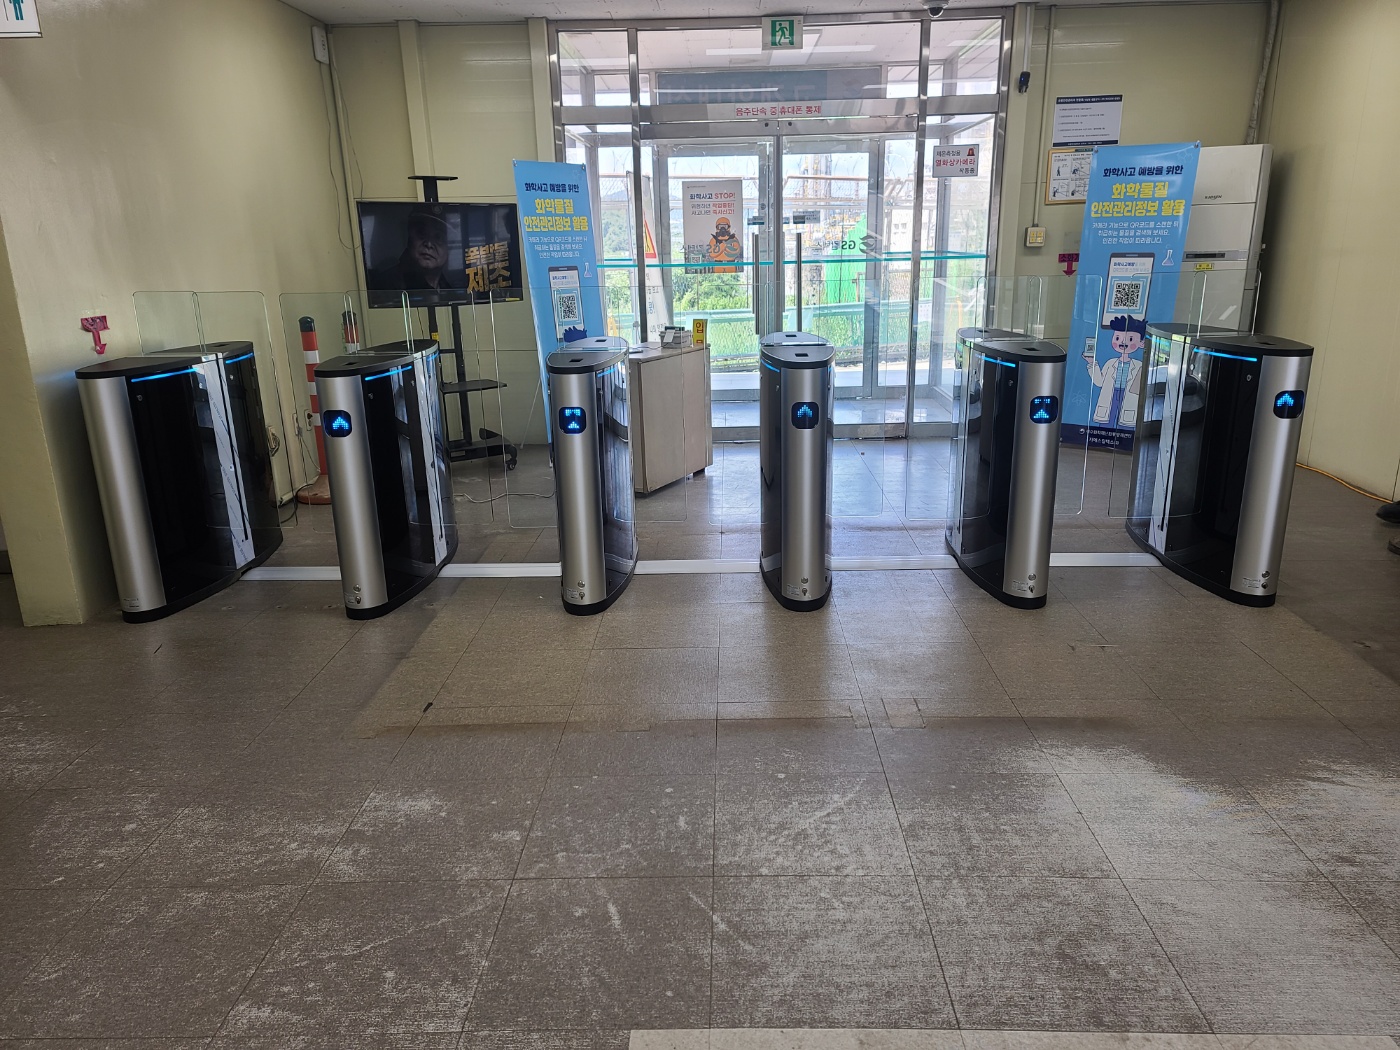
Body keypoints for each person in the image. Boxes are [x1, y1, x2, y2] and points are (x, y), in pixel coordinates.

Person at [371, 205, 460, 293]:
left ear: (450, 247)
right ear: (408, 236)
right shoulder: (385, 285)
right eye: (422, 232)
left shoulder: (451, 289)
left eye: (438, 237)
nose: (429, 244)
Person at [1086, 314, 1145, 429]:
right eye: (1117, 338)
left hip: (1128, 395)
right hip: (1111, 394)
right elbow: (1099, 382)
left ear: (1141, 343)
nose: (1123, 342)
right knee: (1106, 421)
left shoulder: (1139, 366)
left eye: (1131, 339)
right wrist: (1092, 364)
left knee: (1126, 423)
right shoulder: (1110, 363)